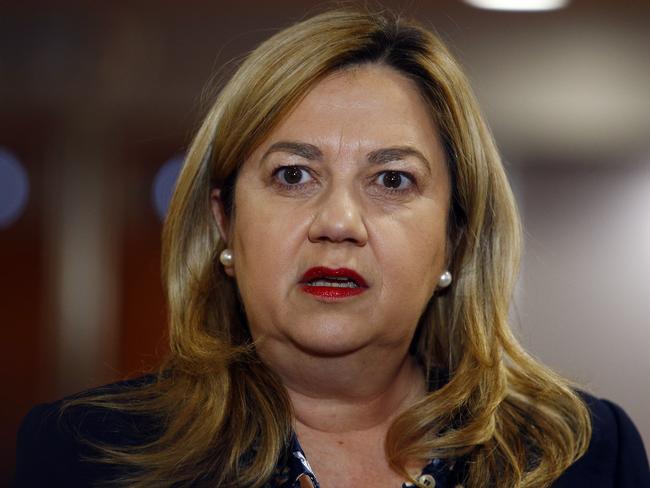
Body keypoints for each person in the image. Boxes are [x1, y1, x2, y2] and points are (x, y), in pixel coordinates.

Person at [15, 6, 650, 488]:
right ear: (223, 224)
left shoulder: (584, 454)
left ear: (455, 240)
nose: (339, 221)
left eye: (392, 180)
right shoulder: (83, 453)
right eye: (293, 175)